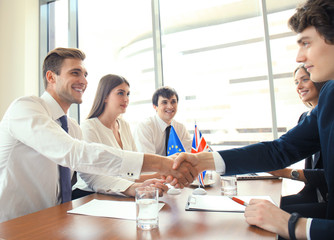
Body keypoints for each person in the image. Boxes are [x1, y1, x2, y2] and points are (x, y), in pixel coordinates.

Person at [173, 0, 334, 239]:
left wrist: (291, 225)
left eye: (306, 43)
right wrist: (202, 161)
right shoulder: (330, 94)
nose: (300, 57)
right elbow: (280, 150)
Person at [0, 47, 197, 223]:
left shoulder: (72, 127)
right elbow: (73, 153)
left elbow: (93, 175)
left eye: (85, 74)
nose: (84, 81)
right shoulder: (25, 107)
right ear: (51, 77)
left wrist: (133, 187)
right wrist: (159, 163)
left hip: (52, 220)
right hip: (13, 224)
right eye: (75, 73)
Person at [73, 74, 168, 198]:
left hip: (119, 192)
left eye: (128, 94)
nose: (126, 99)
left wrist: (148, 181)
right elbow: (93, 177)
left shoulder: (124, 125)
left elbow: (132, 171)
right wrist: (136, 187)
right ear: (105, 96)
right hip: (88, 194)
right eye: (120, 93)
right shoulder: (89, 127)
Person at [268, 64, 328, 218]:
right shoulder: (305, 118)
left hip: (328, 203)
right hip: (314, 195)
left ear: (319, 80)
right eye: (296, 82)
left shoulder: (329, 119)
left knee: (273, 215)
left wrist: (287, 173)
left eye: (304, 79)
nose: (299, 86)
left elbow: (328, 176)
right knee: (266, 205)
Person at [133, 86, 192, 156]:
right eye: (164, 102)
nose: (170, 106)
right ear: (155, 106)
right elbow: (148, 161)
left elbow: (189, 154)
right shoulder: (145, 127)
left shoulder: (180, 128)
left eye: (173, 102)